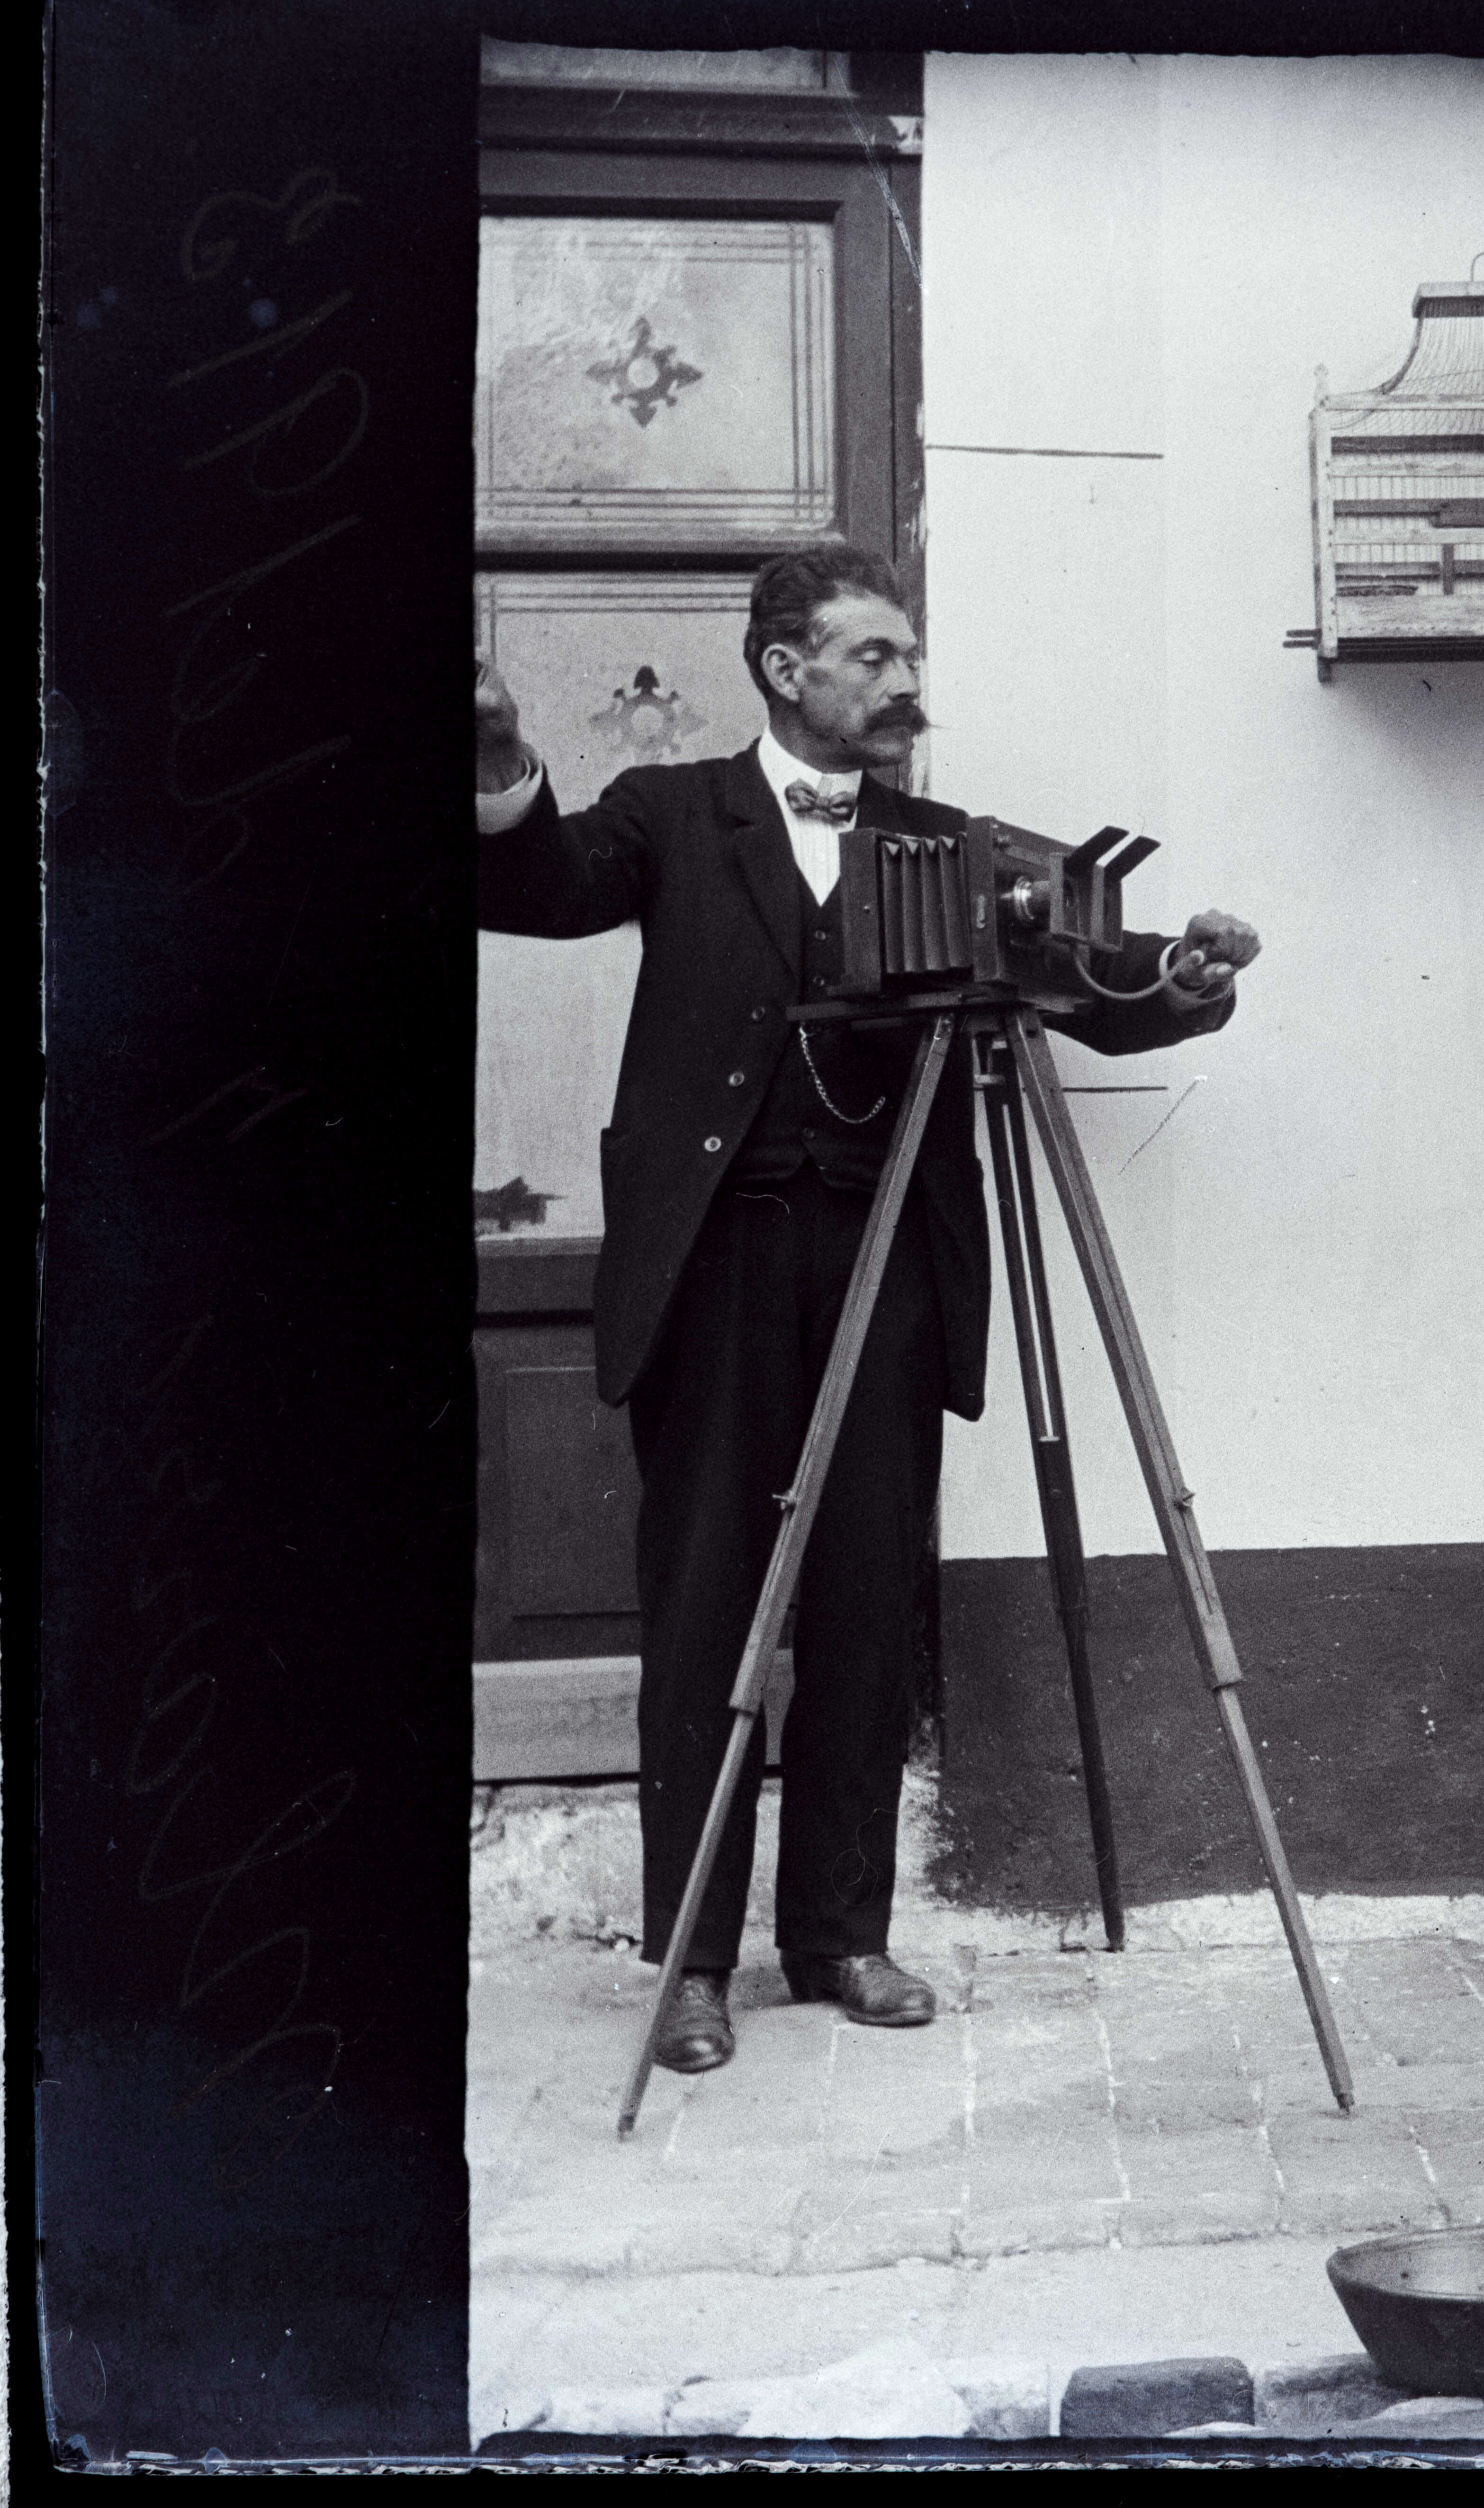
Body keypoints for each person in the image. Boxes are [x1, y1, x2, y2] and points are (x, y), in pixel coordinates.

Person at [474, 543, 1260, 2074]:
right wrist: (500, 761)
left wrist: (1185, 970)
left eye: (910, 656)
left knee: (862, 1597)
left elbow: (1089, 982)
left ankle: (841, 1934)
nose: (908, 683)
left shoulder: (950, 841)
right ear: (786, 669)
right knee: (707, 1603)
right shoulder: (670, 815)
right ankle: (691, 1959)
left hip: (890, 1255)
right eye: (875, 656)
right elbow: (538, 886)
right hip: (718, 1260)